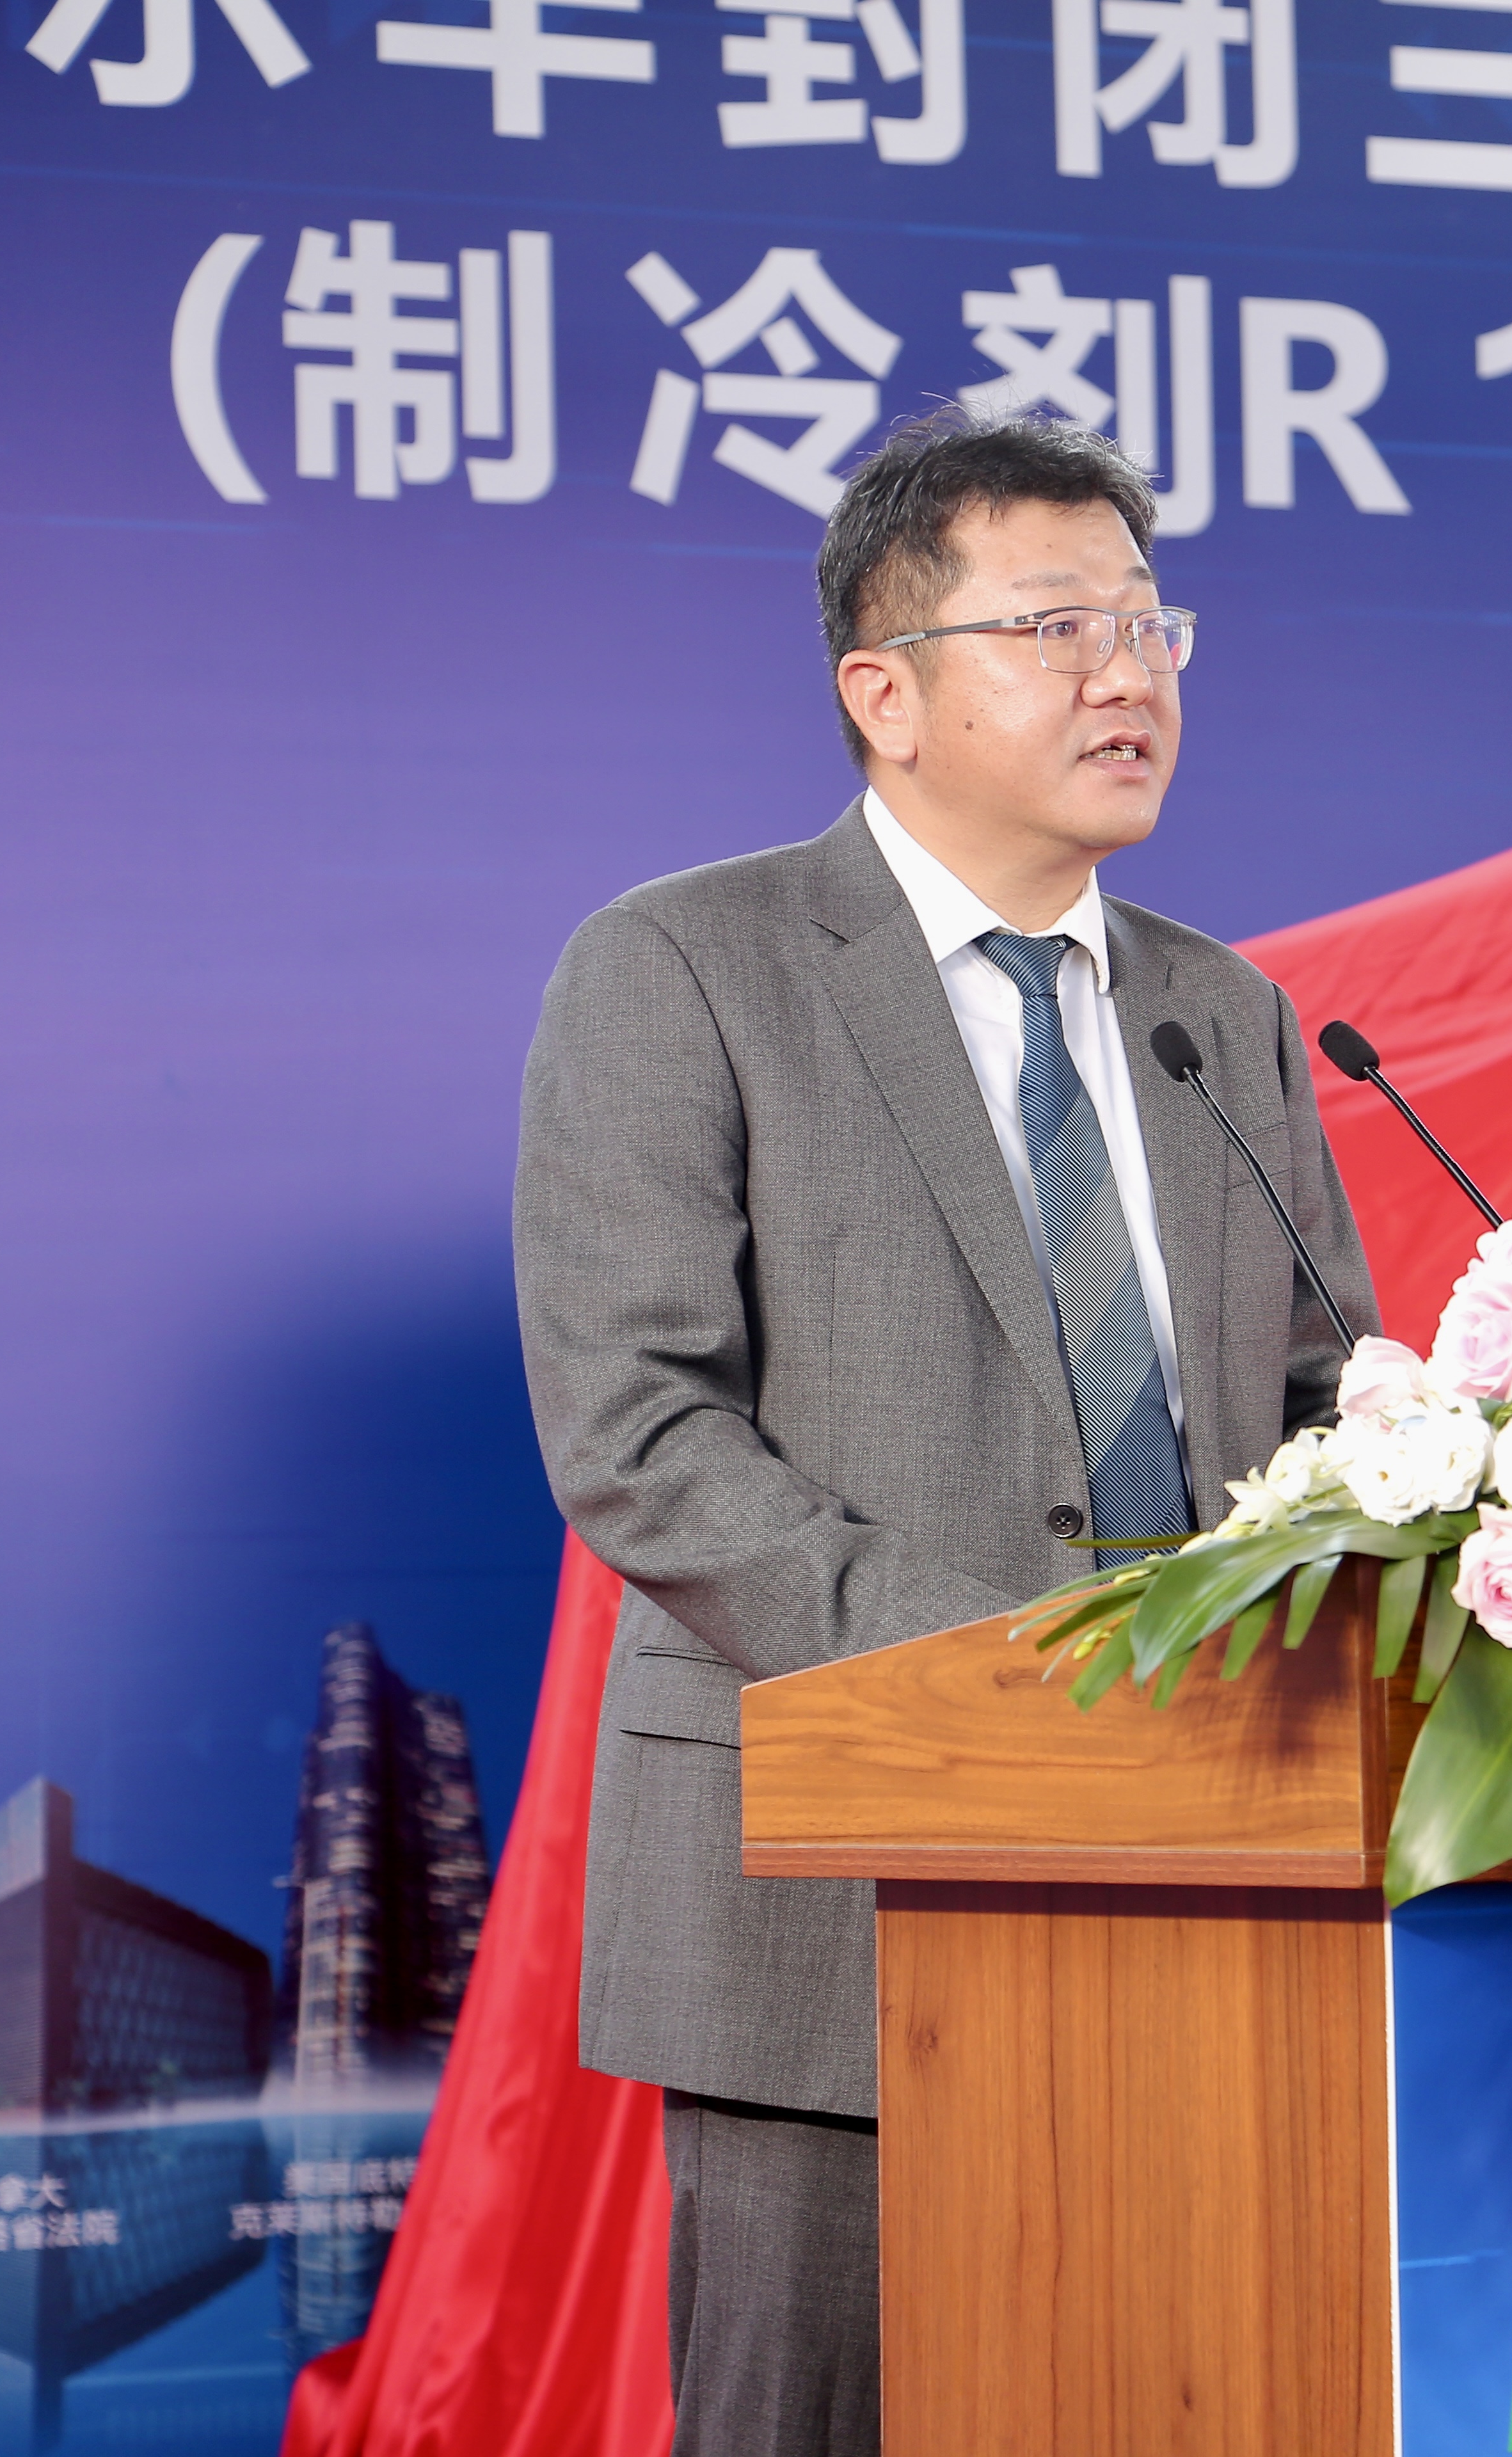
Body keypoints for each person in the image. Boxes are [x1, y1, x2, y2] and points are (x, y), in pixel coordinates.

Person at [510, 410, 1376, 2457]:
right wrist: (1023, 1680)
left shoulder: (1223, 1011)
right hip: (839, 1898)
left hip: (1221, 1880)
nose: (1127, 675)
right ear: (883, 694)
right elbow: (641, 1429)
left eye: (1150, 625)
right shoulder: (686, 969)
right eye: (1056, 627)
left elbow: (1327, 1401)